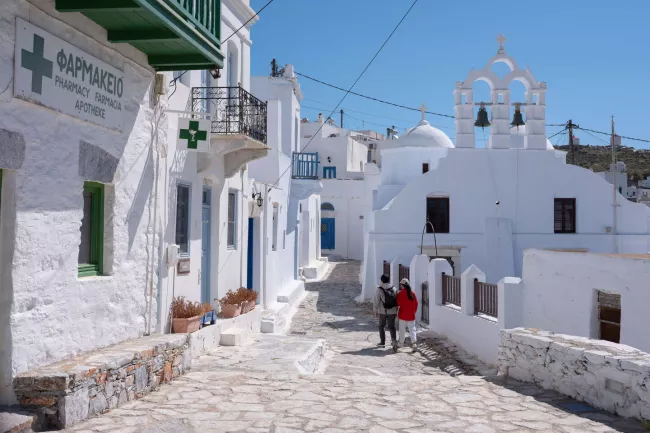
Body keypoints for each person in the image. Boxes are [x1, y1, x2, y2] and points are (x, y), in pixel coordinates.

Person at [373, 274, 398, 350]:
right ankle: (394, 341)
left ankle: (382, 341)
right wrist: (397, 310)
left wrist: (375, 310)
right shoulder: (394, 288)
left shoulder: (379, 289)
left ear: (381, 280)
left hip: (383, 311)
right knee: (392, 327)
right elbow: (397, 300)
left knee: (381, 326)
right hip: (393, 311)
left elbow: (376, 301)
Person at [397, 278, 418, 351]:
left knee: (402, 330)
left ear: (402, 285)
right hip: (411, 315)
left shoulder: (400, 293)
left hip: (402, 315)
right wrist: (413, 312)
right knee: (412, 330)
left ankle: (400, 344)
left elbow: (398, 303)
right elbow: (416, 304)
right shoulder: (413, 293)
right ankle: (414, 344)